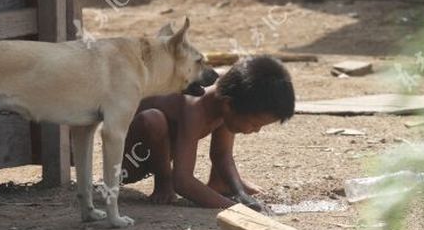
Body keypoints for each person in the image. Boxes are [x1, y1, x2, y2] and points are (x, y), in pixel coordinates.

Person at [119, 55, 295, 211]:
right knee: (153, 119)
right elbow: (182, 181)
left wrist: (240, 193)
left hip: (168, 149)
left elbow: (221, 155)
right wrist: (234, 208)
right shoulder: (195, 106)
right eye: (255, 124)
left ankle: (220, 183)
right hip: (130, 162)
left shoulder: (228, 92)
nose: (256, 131)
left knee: (222, 134)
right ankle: (163, 182)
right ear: (228, 104)